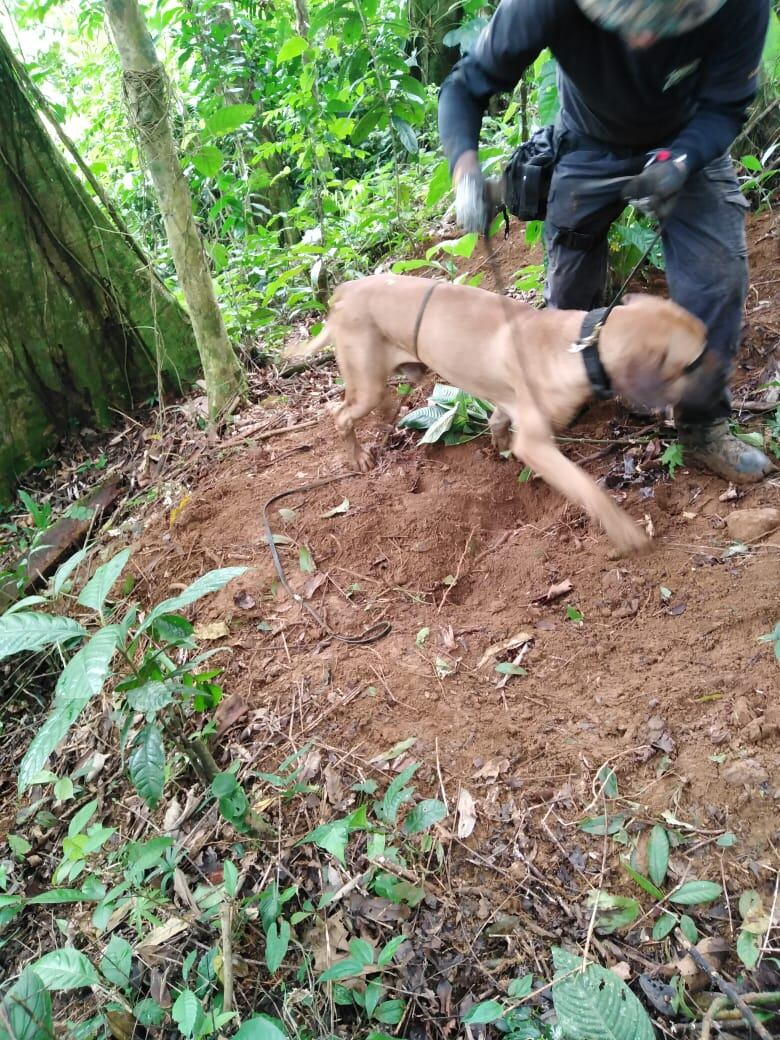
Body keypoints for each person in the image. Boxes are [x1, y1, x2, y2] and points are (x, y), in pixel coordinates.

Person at [438, 0, 774, 483]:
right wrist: (465, 172)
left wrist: (678, 162)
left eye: (661, 29)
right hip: (587, 141)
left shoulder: (737, 7)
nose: (640, 42)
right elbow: (465, 88)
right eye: (625, 25)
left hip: (685, 141)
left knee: (715, 275)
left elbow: (725, 106)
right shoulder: (543, 5)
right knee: (570, 285)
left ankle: (703, 425)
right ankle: (553, 390)